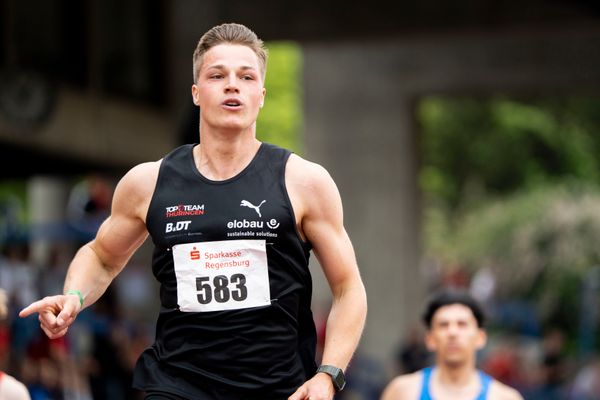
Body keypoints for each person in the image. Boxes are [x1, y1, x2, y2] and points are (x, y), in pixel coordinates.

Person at [19, 22, 367, 400]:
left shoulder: (303, 182)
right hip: (176, 385)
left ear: (261, 94)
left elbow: (348, 288)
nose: (232, 85)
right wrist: (74, 295)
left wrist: (328, 375)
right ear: (197, 93)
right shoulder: (149, 183)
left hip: (277, 387)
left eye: (246, 76)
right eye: (217, 75)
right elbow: (102, 257)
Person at [380, 289, 522, 400]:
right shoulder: (403, 392)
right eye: (443, 325)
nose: (452, 332)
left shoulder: (503, 397)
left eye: (462, 324)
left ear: (480, 337)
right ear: (430, 339)